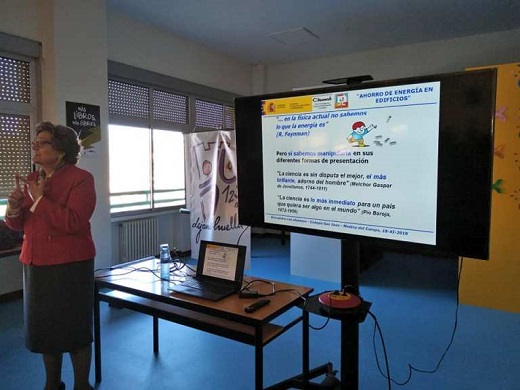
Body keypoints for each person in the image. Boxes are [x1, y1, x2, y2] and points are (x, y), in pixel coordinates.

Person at [5, 121, 96, 390]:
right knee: (46, 329)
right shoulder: (33, 179)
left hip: (70, 265)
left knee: (74, 328)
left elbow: (75, 222)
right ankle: (52, 384)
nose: (35, 145)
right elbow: (20, 224)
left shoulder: (81, 179)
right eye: (36, 141)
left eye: (42, 142)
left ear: (61, 150)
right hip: (35, 262)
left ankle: (82, 385)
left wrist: (40, 201)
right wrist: (13, 208)